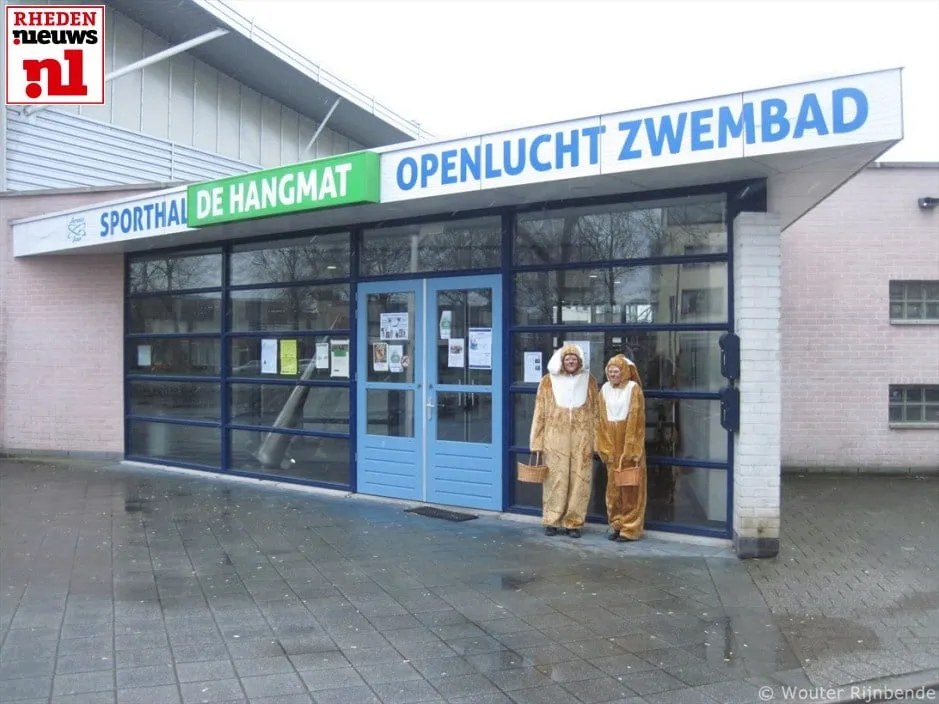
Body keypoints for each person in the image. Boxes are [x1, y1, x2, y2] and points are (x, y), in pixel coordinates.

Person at [529, 343, 599, 538]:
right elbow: (539, 412)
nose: (571, 361)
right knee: (554, 478)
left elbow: (596, 413)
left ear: (579, 361)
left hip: (582, 438)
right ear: (561, 361)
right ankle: (552, 520)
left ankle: (573, 523)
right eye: (567, 359)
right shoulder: (547, 381)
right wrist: (536, 441)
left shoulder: (590, 381)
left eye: (574, 359)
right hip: (554, 438)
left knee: (580, 480)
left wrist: (598, 441)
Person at [595, 354, 647, 542]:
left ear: (624, 371)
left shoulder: (634, 389)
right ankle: (617, 524)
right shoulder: (604, 390)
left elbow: (637, 420)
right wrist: (603, 445)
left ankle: (630, 528)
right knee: (613, 489)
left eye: (616, 371)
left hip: (628, 443)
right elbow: (599, 419)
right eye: (610, 372)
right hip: (611, 443)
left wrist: (632, 448)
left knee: (631, 488)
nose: (612, 374)